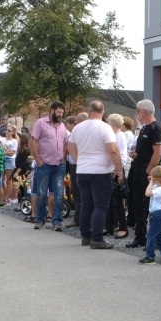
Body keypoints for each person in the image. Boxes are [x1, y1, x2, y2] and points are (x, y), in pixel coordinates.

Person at [68, 101, 124, 246]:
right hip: (100, 170)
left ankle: (85, 236)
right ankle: (97, 239)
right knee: (100, 206)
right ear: (103, 112)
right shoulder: (105, 127)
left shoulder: (78, 128)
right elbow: (113, 150)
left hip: (83, 169)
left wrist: (79, 161)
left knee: (86, 204)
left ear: (89, 110)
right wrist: (118, 169)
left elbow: (71, 147)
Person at [124, 100, 161, 248]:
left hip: (146, 169)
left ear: (145, 111)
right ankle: (140, 236)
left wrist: (149, 170)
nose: (136, 113)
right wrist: (136, 155)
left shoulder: (155, 128)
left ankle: (147, 237)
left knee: (143, 203)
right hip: (137, 165)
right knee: (135, 202)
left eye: (137, 110)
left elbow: (157, 153)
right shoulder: (143, 128)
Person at [30, 102, 69, 231]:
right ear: (52, 110)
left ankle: (56, 221)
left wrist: (63, 158)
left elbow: (65, 143)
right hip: (44, 164)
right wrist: (38, 160)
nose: (60, 115)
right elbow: (33, 142)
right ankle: (40, 220)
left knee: (58, 195)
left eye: (62, 113)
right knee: (41, 193)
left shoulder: (62, 126)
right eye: (58, 112)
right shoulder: (41, 123)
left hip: (59, 165)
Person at [105, 113, 130, 239]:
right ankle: (109, 225)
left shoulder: (120, 136)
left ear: (113, 124)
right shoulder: (114, 135)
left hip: (116, 170)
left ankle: (123, 227)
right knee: (110, 200)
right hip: (111, 169)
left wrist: (118, 170)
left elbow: (122, 155)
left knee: (118, 200)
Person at [140, 166, 161, 265]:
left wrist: (151, 182)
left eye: (153, 177)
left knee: (150, 236)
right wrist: (151, 181)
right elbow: (150, 189)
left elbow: (147, 193)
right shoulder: (157, 187)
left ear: (158, 179)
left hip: (158, 214)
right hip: (154, 214)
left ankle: (150, 257)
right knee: (157, 237)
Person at [1, 124, 19, 206]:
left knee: (9, 179)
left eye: (9, 131)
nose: (7, 132)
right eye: (6, 130)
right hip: (2, 159)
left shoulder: (14, 141)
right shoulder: (2, 139)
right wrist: (7, 152)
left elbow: (12, 153)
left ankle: (7, 198)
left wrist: (5, 151)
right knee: (1, 179)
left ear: (13, 132)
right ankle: (3, 196)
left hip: (10, 160)